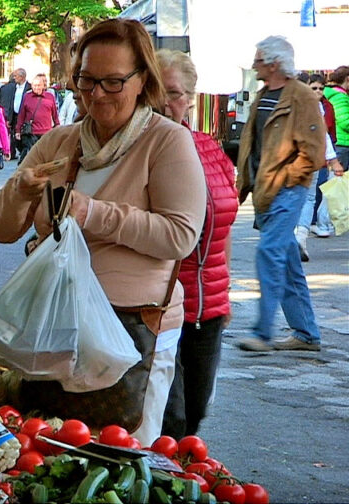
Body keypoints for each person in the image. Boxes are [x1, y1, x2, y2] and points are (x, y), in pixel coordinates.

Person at [0, 19, 206, 445]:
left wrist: (94, 213)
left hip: (132, 329)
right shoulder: (60, 143)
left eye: (113, 82)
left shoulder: (167, 142)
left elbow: (179, 235)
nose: (96, 95)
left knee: (118, 452)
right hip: (55, 324)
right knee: (46, 447)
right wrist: (19, 190)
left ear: (143, 81)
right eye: (86, 81)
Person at [156, 50, 239, 438]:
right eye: (155, 91)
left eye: (173, 93)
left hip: (209, 307)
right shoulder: (139, 150)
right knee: (167, 418)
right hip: (157, 309)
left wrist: (227, 291)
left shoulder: (210, 149)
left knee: (195, 412)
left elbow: (225, 226)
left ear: (190, 98)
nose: (164, 102)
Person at [235, 36, 326, 353]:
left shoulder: (301, 96)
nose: (255, 64)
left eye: (259, 59)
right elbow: (254, 145)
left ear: (273, 63)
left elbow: (313, 153)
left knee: (269, 255)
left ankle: (262, 333)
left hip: (286, 190)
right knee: (286, 262)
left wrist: (287, 178)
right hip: (265, 189)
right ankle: (306, 334)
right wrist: (245, 185)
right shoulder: (264, 95)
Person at [306, 74, 344, 238]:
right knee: (306, 196)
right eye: (314, 88)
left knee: (313, 195)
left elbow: (326, 133)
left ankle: (304, 231)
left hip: (319, 156)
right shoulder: (305, 105)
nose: (318, 91)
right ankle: (303, 229)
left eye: (321, 88)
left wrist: (332, 158)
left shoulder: (325, 105)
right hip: (304, 156)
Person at [14, 73, 59, 162]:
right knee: (30, 157)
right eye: (34, 85)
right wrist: (18, 130)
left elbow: (54, 113)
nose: (36, 88)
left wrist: (57, 125)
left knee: (45, 157)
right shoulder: (27, 96)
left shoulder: (50, 96)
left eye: (38, 85)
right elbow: (21, 115)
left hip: (46, 132)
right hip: (31, 133)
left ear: (43, 86)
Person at [0, 68, 32, 159]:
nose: (14, 78)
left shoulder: (30, 87)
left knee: (24, 137)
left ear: (22, 77)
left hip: (26, 116)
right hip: (15, 115)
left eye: (16, 76)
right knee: (15, 137)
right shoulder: (13, 87)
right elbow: (11, 103)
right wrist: (9, 118)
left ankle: (24, 155)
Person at [326, 66, 349, 169]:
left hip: (338, 142)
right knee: (340, 179)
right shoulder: (339, 96)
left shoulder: (332, 93)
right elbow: (345, 121)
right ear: (347, 79)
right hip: (343, 143)